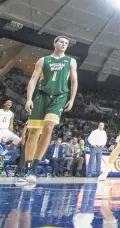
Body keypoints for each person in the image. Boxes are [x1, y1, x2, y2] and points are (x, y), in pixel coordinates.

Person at [24, 36, 78, 182]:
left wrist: (72, 99)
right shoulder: (43, 60)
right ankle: (26, 168)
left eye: (66, 43)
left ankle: (34, 168)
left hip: (59, 96)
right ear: (54, 43)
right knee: (34, 132)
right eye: (61, 42)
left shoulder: (71, 61)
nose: (64, 44)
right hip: (41, 95)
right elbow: (33, 80)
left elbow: (74, 81)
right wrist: (29, 99)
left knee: (48, 127)